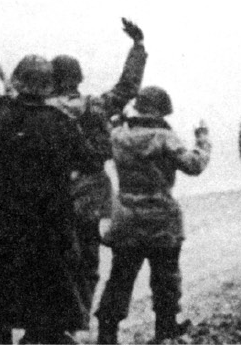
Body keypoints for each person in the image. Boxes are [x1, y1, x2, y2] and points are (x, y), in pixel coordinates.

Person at [0, 55, 102, 344]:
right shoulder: (60, 123)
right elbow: (91, 161)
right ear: (48, 86)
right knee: (49, 308)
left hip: (0, 226)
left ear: (17, 81)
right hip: (49, 227)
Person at [95, 86, 211, 344]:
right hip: (161, 218)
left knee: (120, 278)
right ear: (162, 111)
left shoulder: (117, 136)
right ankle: (166, 329)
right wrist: (202, 139)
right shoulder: (165, 137)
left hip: (126, 217)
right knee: (166, 278)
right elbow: (194, 165)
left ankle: (106, 332)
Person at [46, 18, 147, 314]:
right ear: (78, 78)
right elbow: (128, 87)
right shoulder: (96, 106)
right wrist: (138, 47)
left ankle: (48, 325)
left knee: (52, 263)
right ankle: (77, 319)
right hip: (90, 195)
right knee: (88, 263)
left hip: (50, 195)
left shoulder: (41, 111)